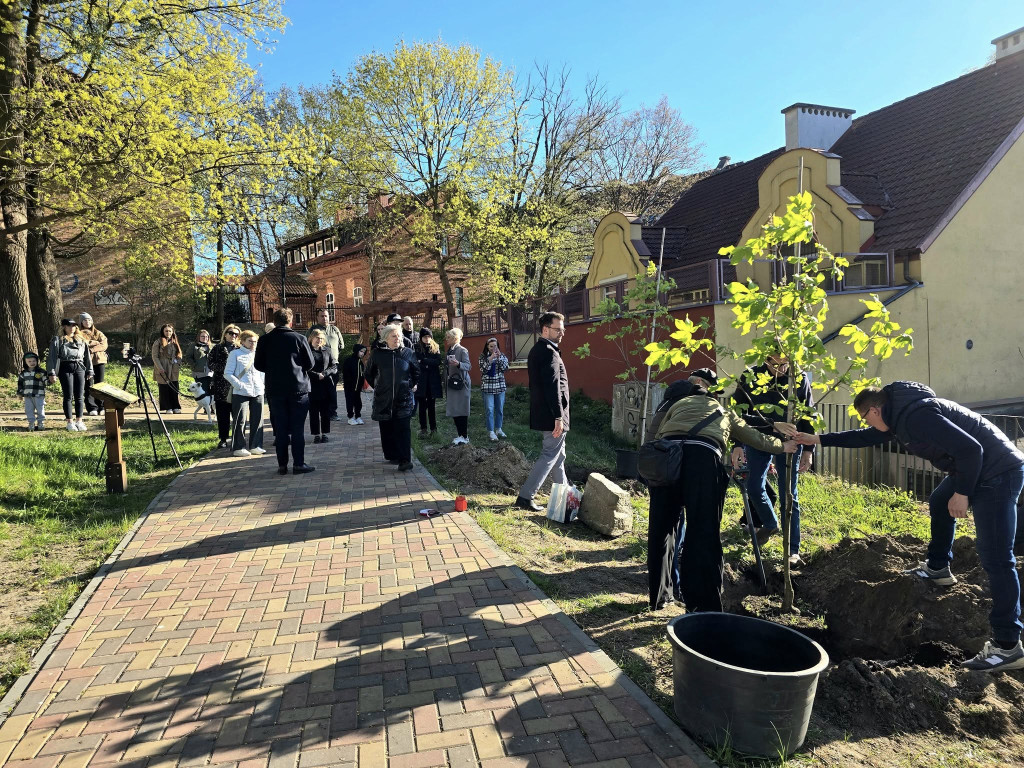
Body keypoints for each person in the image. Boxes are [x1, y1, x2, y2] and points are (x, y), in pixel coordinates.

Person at [790, 382, 1024, 672]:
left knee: (997, 558)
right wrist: (819, 440)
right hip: (975, 465)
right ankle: (939, 567)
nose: (868, 424)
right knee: (939, 500)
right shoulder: (900, 413)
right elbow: (867, 437)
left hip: (997, 471)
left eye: (865, 417)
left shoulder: (916, 416)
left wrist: (962, 492)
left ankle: (1008, 646)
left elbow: (971, 449)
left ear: (874, 410)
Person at [647, 371, 793, 611]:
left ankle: (660, 598)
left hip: (667, 460)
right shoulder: (724, 412)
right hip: (703, 462)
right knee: (703, 532)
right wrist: (781, 446)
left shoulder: (677, 404)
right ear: (713, 394)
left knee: (663, 530)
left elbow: (658, 432)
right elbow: (753, 436)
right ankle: (701, 606)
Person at [732, 350, 815, 566]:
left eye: (785, 364)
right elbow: (737, 415)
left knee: (789, 495)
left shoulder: (799, 378)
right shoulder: (750, 377)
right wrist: (738, 444)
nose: (780, 369)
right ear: (765, 359)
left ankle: (792, 551)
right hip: (759, 441)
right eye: (775, 364)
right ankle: (770, 523)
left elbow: (808, 412)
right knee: (753, 486)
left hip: (791, 443)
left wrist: (808, 450)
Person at [516, 312, 570, 511]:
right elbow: (552, 386)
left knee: (558, 457)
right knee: (550, 454)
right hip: (552, 414)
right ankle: (526, 496)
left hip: (547, 412)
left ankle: (563, 497)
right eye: (558, 329)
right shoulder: (548, 351)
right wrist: (558, 416)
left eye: (563, 329)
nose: (562, 333)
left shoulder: (540, 349)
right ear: (545, 329)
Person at [254, 307, 316, 475]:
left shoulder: (264, 340)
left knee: (280, 429)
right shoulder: (299, 338)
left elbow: (258, 365)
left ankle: (282, 465)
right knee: (297, 428)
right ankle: (299, 464)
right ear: (291, 321)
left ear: (274, 322)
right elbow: (310, 364)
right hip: (298, 388)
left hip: (275, 389)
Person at [364, 323, 418, 471]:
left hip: (403, 397)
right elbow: (368, 373)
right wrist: (379, 386)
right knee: (387, 428)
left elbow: (416, 372)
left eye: (399, 335)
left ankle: (405, 460)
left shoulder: (408, 353)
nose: (397, 338)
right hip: (384, 398)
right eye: (394, 336)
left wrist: (410, 384)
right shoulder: (377, 354)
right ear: (385, 338)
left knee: (403, 429)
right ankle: (391, 454)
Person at [46, 318, 94, 432]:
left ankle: (79, 420)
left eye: (74, 325)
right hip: (65, 367)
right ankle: (70, 422)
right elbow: (52, 357)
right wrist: (51, 372)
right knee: (68, 396)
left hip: (80, 367)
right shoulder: (58, 340)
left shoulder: (82, 340)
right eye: (69, 325)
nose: (72, 328)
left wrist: (89, 370)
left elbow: (87, 356)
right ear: (64, 327)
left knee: (79, 395)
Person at [224, 330, 266, 458]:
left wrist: (262, 385)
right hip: (241, 392)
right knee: (240, 420)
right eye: (250, 341)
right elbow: (228, 373)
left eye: (255, 341)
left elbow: (262, 371)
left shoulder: (259, 354)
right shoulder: (235, 354)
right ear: (242, 341)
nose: (253, 344)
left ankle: (256, 445)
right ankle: (239, 447)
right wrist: (240, 385)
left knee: (258, 419)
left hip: (258, 390)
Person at [209, 325, 241, 449]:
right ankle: (223, 438)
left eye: (236, 334)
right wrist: (226, 370)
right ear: (225, 334)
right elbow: (210, 363)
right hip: (221, 385)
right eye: (231, 333)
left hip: (236, 386)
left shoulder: (240, 349)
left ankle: (238, 437)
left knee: (238, 414)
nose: (233, 336)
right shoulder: (217, 348)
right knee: (222, 415)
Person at [310, 309, 345, 421]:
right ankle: (321, 412)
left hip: (333, 365)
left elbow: (341, 345)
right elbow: (307, 344)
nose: (324, 318)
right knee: (319, 392)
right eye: (322, 316)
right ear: (317, 317)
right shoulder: (313, 330)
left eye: (326, 316)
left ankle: (332, 412)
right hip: (318, 367)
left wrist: (332, 355)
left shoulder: (335, 329)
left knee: (332, 390)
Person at [308, 328, 339, 443]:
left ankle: (325, 433)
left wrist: (324, 374)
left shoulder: (327, 350)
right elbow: (304, 368)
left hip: (325, 384)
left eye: (321, 338)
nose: (319, 340)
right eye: (317, 338)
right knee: (314, 412)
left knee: (325, 411)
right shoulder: (307, 350)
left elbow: (334, 366)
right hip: (312, 384)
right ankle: (316, 434)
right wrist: (317, 375)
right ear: (312, 338)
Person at [479, 336, 509, 442]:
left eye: (495, 346)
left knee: (499, 409)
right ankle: (491, 431)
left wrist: (499, 358)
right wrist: (491, 359)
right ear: (487, 347)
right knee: (490, 410)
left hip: (500, 386)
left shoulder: (502, 356)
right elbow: (483, 369)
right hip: (488, 387)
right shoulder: (482, 357)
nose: (493, 348)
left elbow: (505, 368)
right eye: (491, 346)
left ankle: (498, 429)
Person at [445, 327, 472, 444]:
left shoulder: (462, 350)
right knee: (455, 409)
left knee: (462, 409)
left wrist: (458, 364)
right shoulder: (450, 350)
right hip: (452, 383)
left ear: (455, 338)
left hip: (461, 384)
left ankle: (464, 436)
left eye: (449, 337)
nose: (446, 339)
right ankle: (460, 435)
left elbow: (468, 366)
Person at [77, 313, 108, 416]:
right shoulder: (78, 333)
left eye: (89, 320)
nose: (88, 322)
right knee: (89, 384)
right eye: (85, 320)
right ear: (81, 322)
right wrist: (95, 342)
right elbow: (82, 344)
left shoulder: (98, 333)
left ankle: (101, 406)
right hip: (86, 362)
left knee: (100, 383)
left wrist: (92, 348)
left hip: (99, 361)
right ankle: (91, 407)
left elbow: (104, 345)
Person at [415, 328, 443, 437]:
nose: (427, 339)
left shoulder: (435, 347)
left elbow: (437, 361)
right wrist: (427, 363)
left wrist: (424, 361)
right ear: (421, 338)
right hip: (421, 380)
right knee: (422, 405)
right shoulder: (417, 347)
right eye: (424, 337)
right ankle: (423, 428)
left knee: (432, 405)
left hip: (433, 380)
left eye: (428, 337)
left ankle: (433, 428)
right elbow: (417, 362)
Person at [151, 323, 183, 413]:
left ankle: (175, 406)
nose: (168, 332)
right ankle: (167, 407)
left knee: (174, 386)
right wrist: (160, 368)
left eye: (169, 331)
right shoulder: (158, 342)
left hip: (173, 367)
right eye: (166, 331)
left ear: (172, 332)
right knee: (164, 387)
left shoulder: (174, 342)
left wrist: (178, 363)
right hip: (163, 366)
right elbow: (155, 356)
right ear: (163, 332)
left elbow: (179, 354)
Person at [17, 352, 47, 431]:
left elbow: (46, 382)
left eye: (34, 361)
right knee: (29, 410)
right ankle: (31, 423)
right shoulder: (23, 373)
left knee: (40, 409)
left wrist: (51, 380)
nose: (32, 363)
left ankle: (41, 423)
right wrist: (20, 394)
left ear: (37, 361)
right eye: (29, 361)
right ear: (25, 362)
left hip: (39, 395)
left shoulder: (41, 372)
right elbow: (20, 384)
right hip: (27, 395)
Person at [341, 344, 367, 425]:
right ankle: (350, 417)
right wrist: (349, 383)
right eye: (361, 351)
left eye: (364, 352)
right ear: (356, 351)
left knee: (358, 402)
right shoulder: (349, 360)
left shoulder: (360, 362)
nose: (362, 353)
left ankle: (358, 416)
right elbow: (345, 373)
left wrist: (362, 384)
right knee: (350, 402)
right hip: (350, 386)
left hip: (358, 387)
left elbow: (362, 374)